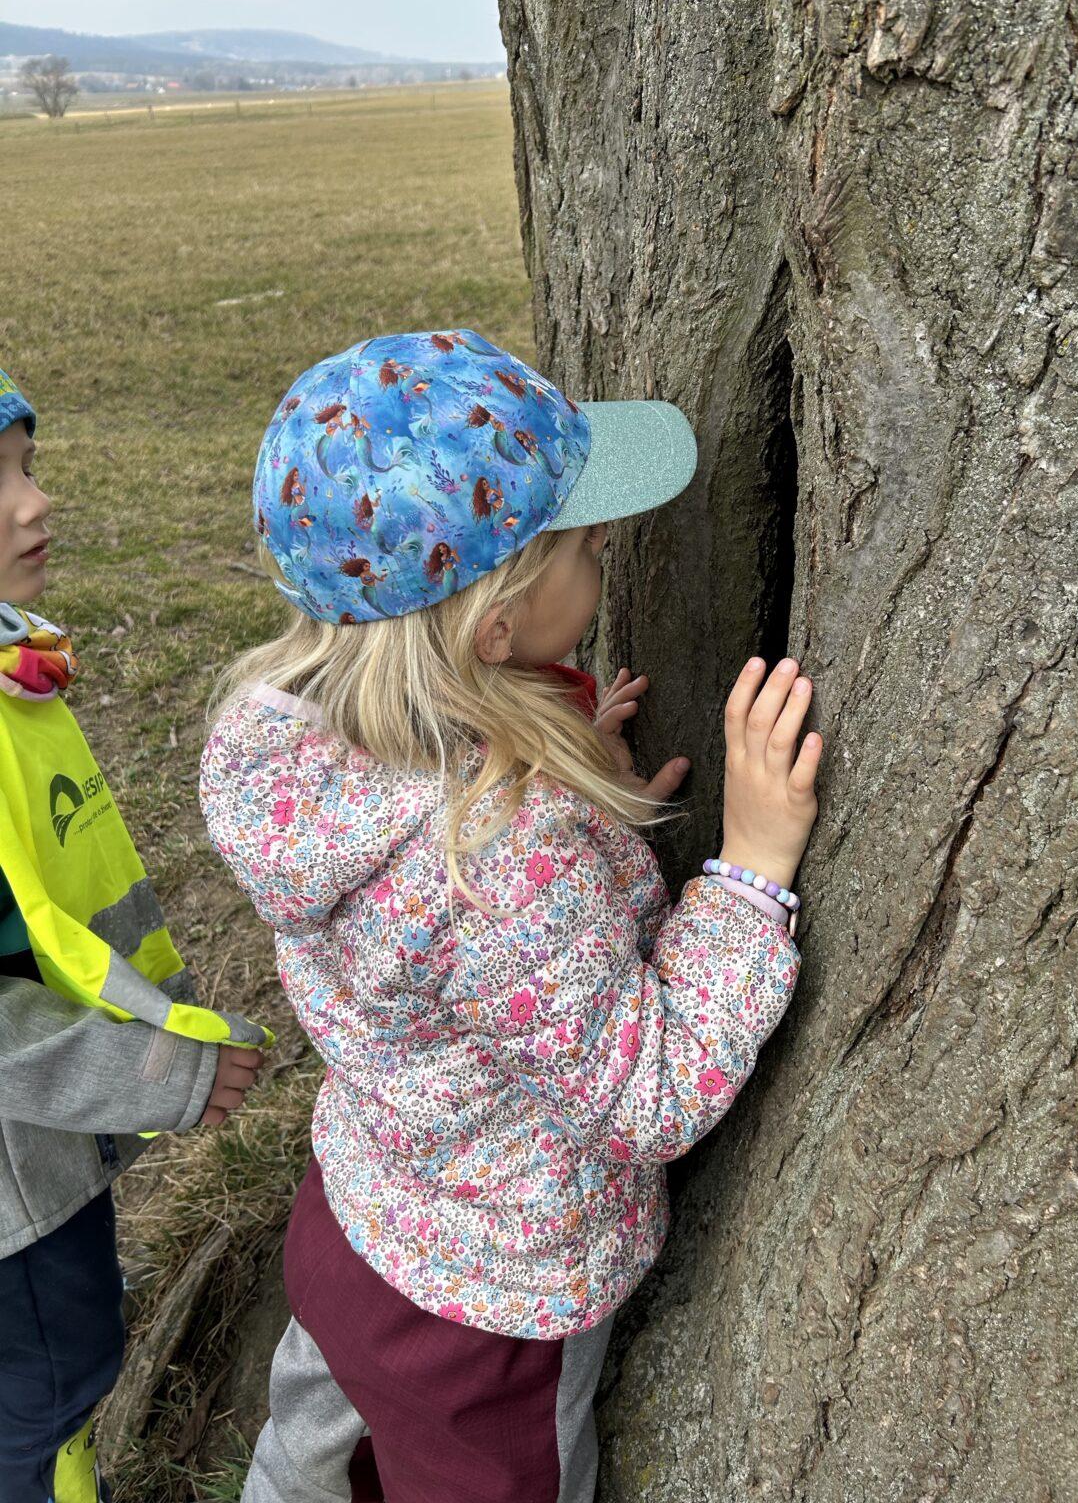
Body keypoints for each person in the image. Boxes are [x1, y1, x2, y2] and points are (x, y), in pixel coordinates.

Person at [199, 329, 822, 1503]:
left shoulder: (288, 748)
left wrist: (567, 762)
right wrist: (749, 870)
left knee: (305, 1456)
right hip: (483, 1325)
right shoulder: (500, 859)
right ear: (495, 628)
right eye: (583, 545)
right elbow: (650, 1090)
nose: (603, 553)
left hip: (354, 1226)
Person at [0, 367, 272, 1503]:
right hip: (13, 1207)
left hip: (40, 1158)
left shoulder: (15, 669)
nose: (36, 501)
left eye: (26, 465)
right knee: (51, 1390)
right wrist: (162, 1067)